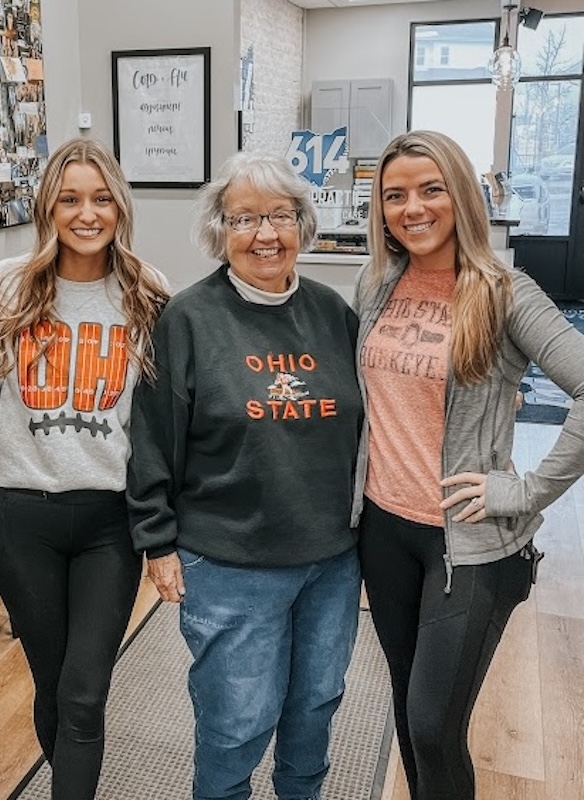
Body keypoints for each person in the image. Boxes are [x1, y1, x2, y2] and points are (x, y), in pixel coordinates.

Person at [353, 129, 584, 800]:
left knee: (432, 724)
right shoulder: (379, 285)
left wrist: (526, 490)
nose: (412, 208)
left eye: (430, 189)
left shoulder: (504, 290)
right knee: (404, 702)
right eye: (394, 195)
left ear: (459, 195)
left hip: (472, 546)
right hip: (384, 532)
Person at [127, 151, 363, 800]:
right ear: (219, 231)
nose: (265, 234)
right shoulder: (189, 320)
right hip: (230, 563)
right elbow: (151, 436)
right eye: (245, 219)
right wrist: (157, 541)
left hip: (332, 561)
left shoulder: (332, 313)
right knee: (237, 724)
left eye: (281, 216)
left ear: (303, 224)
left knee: (315, 707)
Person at [0, 137, 169, 800]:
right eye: (70, 199)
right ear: (48, 207)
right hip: (22, 519)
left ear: (119, 207)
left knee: (85, 692)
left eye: (100, 199)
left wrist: (164, 531)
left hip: (108, 524)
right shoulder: (7, 285)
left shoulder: (148, 293)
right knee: (53, 687)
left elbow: (160, 422)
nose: (86, 213)